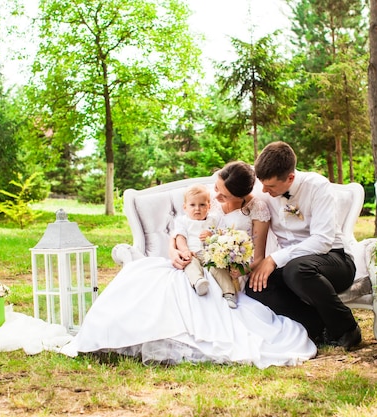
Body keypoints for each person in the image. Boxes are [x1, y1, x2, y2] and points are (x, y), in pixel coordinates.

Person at [61, 161, 318, 368]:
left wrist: (233, 265)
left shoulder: (257, 210)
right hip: (192, 260)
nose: (215, 196)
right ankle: (114, 334)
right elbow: (181, 233)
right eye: (216, 188)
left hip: (227, 271)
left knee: (197, 294)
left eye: (222, 194)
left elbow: (257, 258)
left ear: (240, 196)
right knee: (143, 275)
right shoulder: (209, 199)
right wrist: (175, 253)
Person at [246, 141, 361, 350]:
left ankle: (347, 328)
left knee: (296, 270)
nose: (264, 190)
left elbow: (322, 240)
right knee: (256, 287)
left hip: (334, 260)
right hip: (293, 265)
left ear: (290, 177)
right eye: (262, 184)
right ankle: (317, 327)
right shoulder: (263, 191)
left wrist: (273, 259)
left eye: (270, 186)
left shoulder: (317, 186)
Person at [172, 184, 238, 308]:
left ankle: (229, 293)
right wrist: (185, 250)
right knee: (189, 264)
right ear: (185, 207)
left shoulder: (213, 219)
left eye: (202, 205)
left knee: (219, 268)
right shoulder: (182, 221)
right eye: (192, 205)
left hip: (211, 254)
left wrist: (212, 235)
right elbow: (180, 237)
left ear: (209, 206)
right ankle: (198, 282)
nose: (197, 209)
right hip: (192, 253)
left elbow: (223, 234)